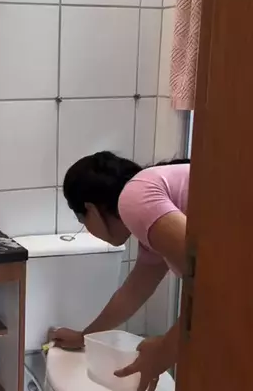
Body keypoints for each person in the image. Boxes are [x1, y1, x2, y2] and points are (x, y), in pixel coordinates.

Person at [50, 151, 190, 391]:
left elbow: (214, 278)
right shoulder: (150, 218)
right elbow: (132, 293)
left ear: (91, 209)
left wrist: (165, 349)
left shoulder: (135, 198)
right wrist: (85, 337)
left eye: (83, 222)